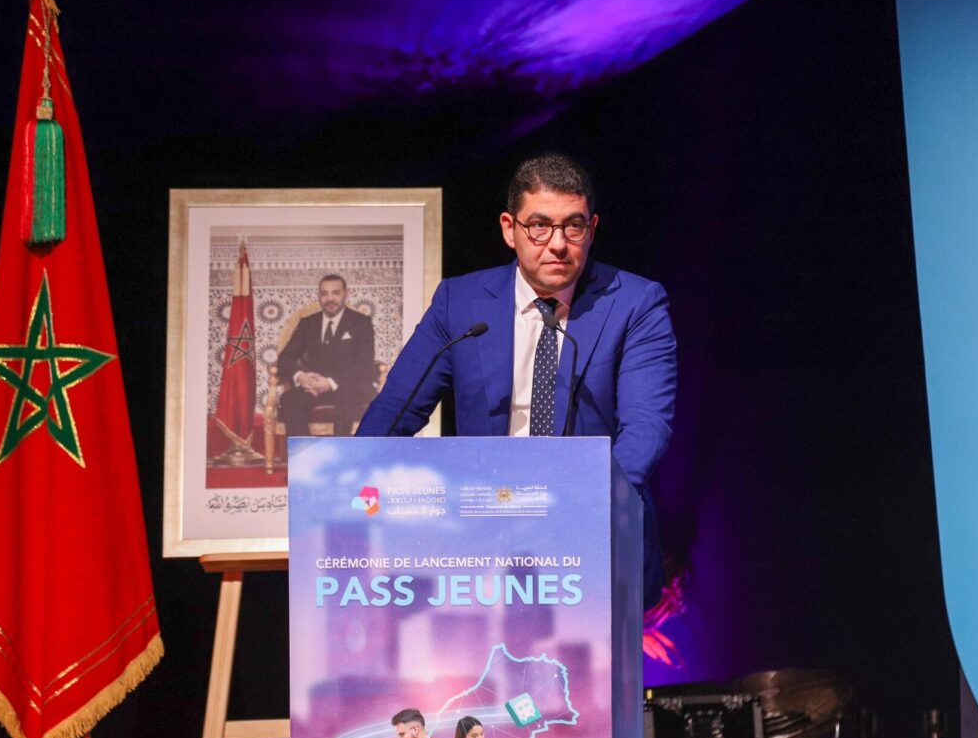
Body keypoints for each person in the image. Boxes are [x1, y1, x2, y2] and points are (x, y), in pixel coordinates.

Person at [356, 153, 678, 607]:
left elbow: (646, 428)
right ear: (510, 229)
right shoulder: (460, 302)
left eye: (574, 226)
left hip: (594, 533)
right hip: (481, 534)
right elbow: (397, 410)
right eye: (540, 226)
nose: (558, 244)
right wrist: (350, 480)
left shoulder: (636, 304)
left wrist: (585, 508)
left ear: (592, 228)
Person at [276, 274, 378, 436]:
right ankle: (305, 450)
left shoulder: (361, 322)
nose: (330, 299)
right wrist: (301, 377)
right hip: (314, 387)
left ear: (346, 294)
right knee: (290, 399)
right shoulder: (308, 323)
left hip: (349, 386)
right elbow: (285, 357)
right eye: (324, 294)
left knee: (347, 399)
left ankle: (339, 452)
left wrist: (330, 383)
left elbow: (363, 364)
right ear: (319, 296)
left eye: (335, 293)